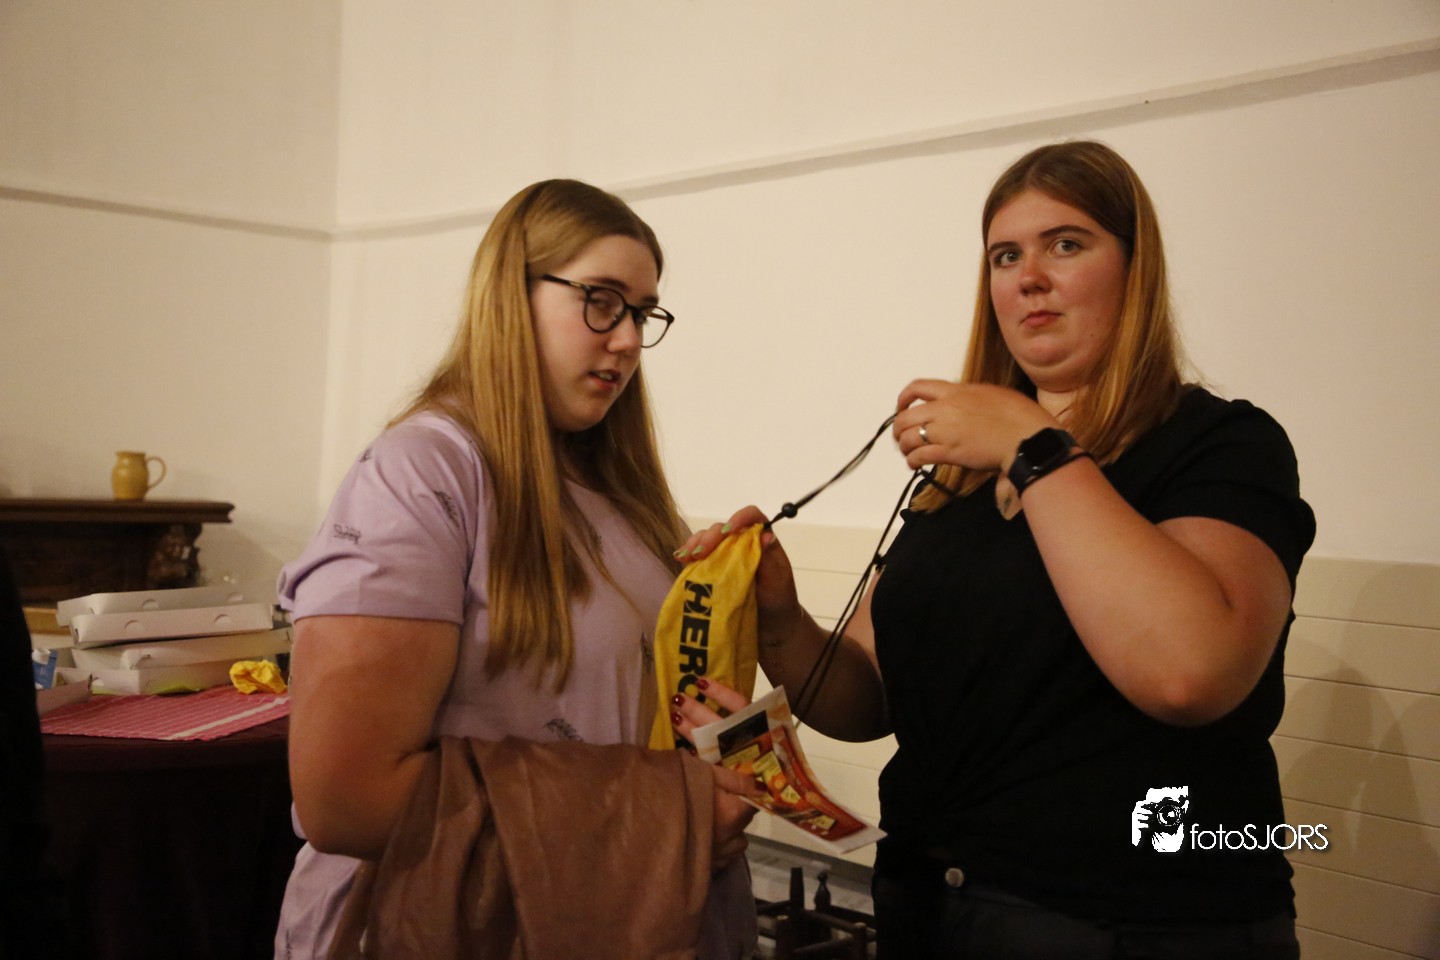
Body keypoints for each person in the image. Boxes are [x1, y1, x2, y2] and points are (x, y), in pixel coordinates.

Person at [672, 140, 1315, 959]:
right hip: (933, 909)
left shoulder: (1220, 444)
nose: (1028, 277)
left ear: (1136, 269)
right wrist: (779, 619)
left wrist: (1032, 445)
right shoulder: (961, 481)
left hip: (1136, 926)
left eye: (1066, 244)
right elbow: (866, 700)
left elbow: (1190, 673)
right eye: (1005, 256)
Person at [273, 179, 759, 959]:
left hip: (620, 913)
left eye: (642, 313)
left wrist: (726, 750)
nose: (628, 341)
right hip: (460, 922)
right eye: (602, 301)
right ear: (510, 294)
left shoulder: (620, 490)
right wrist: (673, 810)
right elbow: (345, 799)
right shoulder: (421, 475)